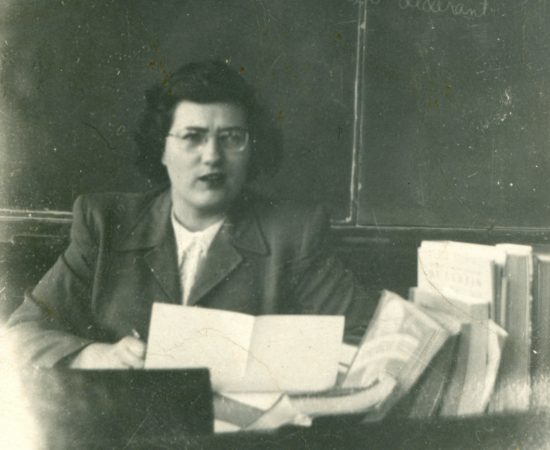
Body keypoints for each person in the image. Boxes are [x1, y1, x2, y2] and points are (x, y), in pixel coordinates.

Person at [6, 60, 376, 369]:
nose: (212, 156)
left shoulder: (294, 234)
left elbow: (367, 342)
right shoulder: (106, 223)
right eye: (192, 137)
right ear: (161, 148)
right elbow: (20, 335)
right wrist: (96, 356)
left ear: (251, 150)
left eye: (231, 137)